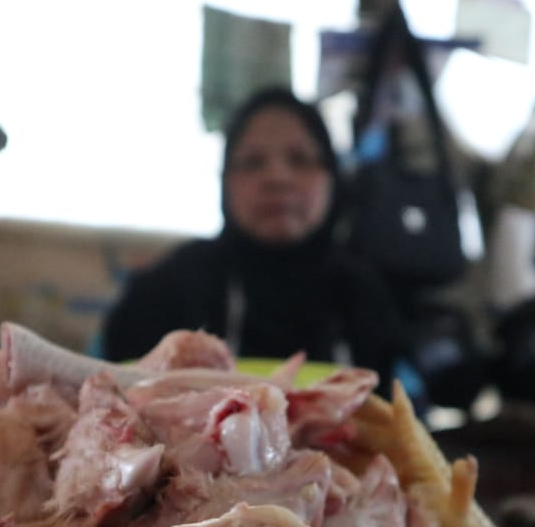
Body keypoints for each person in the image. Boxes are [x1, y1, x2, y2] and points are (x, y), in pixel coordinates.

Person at [100, 86, 411, 396]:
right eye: (252, 162)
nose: (277, 177)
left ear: (331, 177)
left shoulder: (366, 293)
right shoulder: (167, 287)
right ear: (225, 181)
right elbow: (107, 393)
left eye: (300, 159)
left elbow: (403, 412)